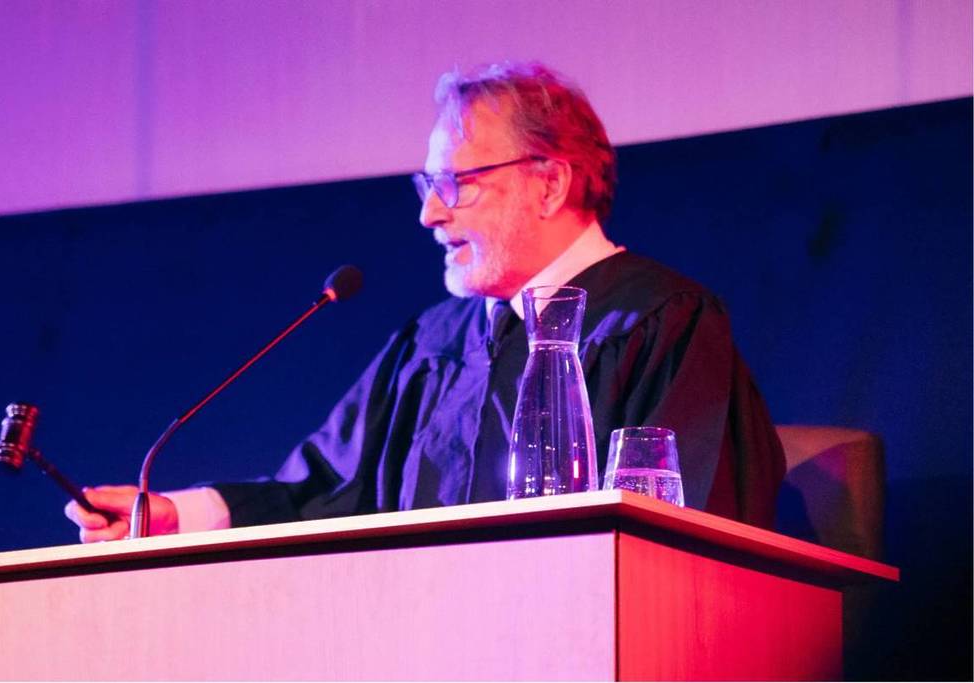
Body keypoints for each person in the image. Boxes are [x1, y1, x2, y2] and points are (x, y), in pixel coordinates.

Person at [66, 62, 785, 542]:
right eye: (427, 186)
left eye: (456, 184)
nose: (429, 214)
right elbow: (323, 489)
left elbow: (694, 531)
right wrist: (170, 514)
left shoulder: (663, 322)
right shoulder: (432, 344)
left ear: (549, 184)